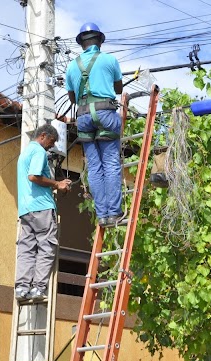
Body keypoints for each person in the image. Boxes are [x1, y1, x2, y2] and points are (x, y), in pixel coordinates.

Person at [65, 22, 124, 227]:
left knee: (94, 167)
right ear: (99, 40)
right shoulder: (109, 60)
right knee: (110, 163)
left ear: (81, 43)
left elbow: (72, 97)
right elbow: (118, 88)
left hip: (83, 118)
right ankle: (114, 213)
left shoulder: (72, 66)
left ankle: (102, 215)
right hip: (105, 113)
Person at [15, 124, 71, 301]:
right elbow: (34, 176)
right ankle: (39, 288)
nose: (51, 146)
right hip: (41, 207)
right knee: (46, 246)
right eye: (51, 142)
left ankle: (22, 289)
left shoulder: (24, 153)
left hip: (26, 209)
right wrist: (57, 184)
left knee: (26, 249)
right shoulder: (38, 152)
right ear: (43, 136)